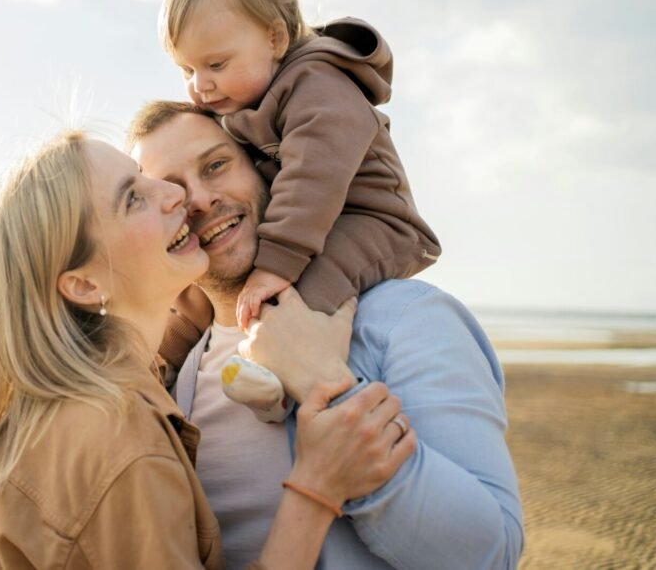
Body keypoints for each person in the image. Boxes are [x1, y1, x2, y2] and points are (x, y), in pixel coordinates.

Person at [0, 131, 418, 569]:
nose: (175, 194)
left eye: (141, 176)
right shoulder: (119, 443)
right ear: (81, 284)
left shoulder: (46, 410)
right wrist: (317, 488)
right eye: (133, 199)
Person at [129, 105, 524, 570]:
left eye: (216, 165)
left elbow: (490, 555)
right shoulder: (177, 378)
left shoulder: (404, 318)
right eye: (171, 192)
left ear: (267, 171)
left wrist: (324, 385)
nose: (198, 199)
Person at [156, 0, 441, 421]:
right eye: (187, 70)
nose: (199, 86)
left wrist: (276, 264)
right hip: (313, 226)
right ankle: (158, 359)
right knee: (207, 280)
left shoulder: (319, 84)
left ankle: (278, 383)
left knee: (305, 288)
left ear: (274, 37)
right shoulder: (242, 104)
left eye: (216, 65)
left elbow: (313, 177)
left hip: (374, 222)